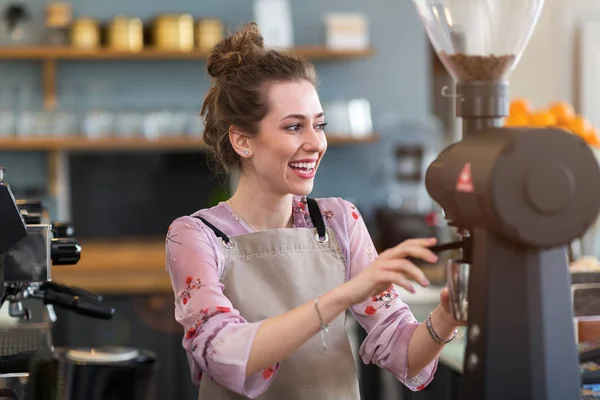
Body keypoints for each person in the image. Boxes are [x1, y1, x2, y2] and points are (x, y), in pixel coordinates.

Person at [166, 22, 464, 400]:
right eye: (294, 127)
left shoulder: (340, 221)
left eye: (318, 125)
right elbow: (221, 353)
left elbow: (404, 352)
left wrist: (448, 314)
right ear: (242, 140)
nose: (315, 143)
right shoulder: (196, 236)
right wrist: (341, 296)